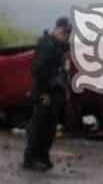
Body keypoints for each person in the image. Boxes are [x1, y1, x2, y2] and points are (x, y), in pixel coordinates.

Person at [23, 17, 72, 171]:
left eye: (68, 33)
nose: (66, 35)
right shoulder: (47, 44)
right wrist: (47, 88)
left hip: (56, 92)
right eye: (64, 32)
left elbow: (62, 70)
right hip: (45, 92)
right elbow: (38, 70)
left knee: (50, 128)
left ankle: (43, 157)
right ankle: (31, 159)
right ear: (57, 29)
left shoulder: (60, 47)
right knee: (39, 126)